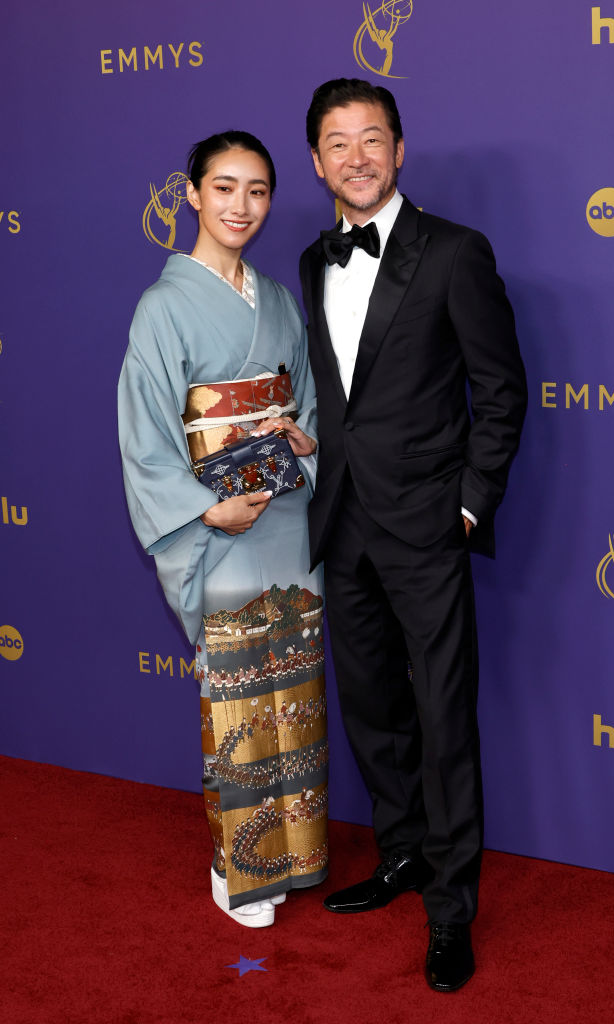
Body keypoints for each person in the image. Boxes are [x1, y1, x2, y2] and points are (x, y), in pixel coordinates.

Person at [299, 80, 527, 990]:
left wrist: (468, 504)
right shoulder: (315, 259)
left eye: (371, 138)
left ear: (399, 149)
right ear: (317, 162)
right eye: (335, 143)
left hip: (427, 526)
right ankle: (399, 854)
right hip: (341, 522)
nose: (355, 156)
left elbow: (500, 390)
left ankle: (450, 909)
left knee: (441, 719)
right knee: (371, 709)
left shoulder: (455, 253)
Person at [118, 131, 328, 929]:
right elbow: (144, 436)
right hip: (221, 526)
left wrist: (301, 448)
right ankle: (237, 864)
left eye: (259, 190)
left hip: (283, 518)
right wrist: (206, 508)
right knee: (238, 695)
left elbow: (304, 402)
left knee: (294, 687)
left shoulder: (276, 298)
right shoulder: (163, 307)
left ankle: (297, 847)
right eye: (226, 188)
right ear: (192, 194)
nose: (242, 206)